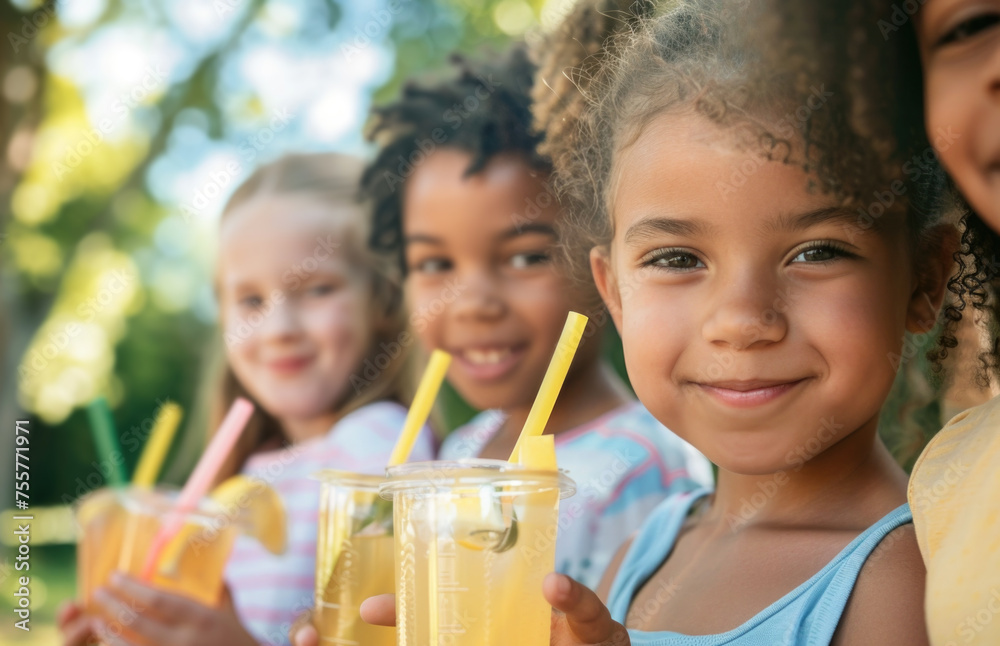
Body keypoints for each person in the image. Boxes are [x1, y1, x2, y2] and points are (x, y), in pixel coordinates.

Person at [58, 153, 435, 646]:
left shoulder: (379, 448)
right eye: (251, 300)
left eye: (317, 289)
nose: (277, 329)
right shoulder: (244, 481)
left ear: (383, 301)